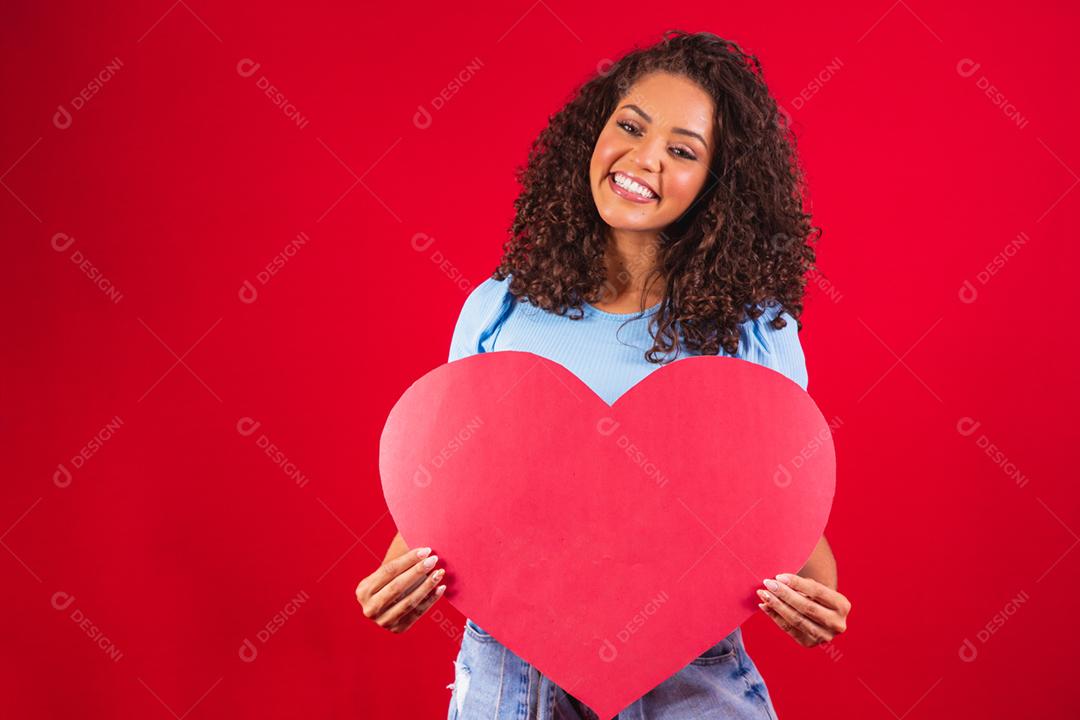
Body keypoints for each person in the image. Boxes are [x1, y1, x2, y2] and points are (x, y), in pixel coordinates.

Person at [355, 29, 852, 719]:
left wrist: (814, 603)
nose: (644, 159)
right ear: (595, 131)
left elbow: (784, 527)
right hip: (510, 677)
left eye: (683, 151)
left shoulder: (755, 332)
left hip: (689, 680)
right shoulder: (500, 308)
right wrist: (394, 583)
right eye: (631, 126)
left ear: (717, 184)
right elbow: (452, 491)